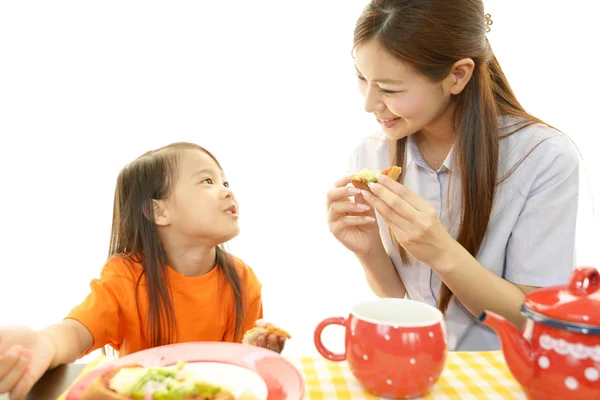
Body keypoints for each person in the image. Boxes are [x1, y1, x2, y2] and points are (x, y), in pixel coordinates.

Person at [326, 0, 579, 351]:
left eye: (389, 89)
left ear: (457, 75)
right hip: (419, 363)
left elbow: (537, 320)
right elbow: (410, 302)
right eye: (362, 78)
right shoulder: (372, 153)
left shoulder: (542, 156)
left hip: (501, 374)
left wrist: (442, 251)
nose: (369, 104)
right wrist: (369, 252)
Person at [0, 142, 286, 399]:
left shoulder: (243, 280)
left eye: (225, 181)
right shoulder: (124, 278)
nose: (227, 190)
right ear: (158, 211)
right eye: (208, 181)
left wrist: (261, 354)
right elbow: (76, 332)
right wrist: (43, 343)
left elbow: (239, 369)